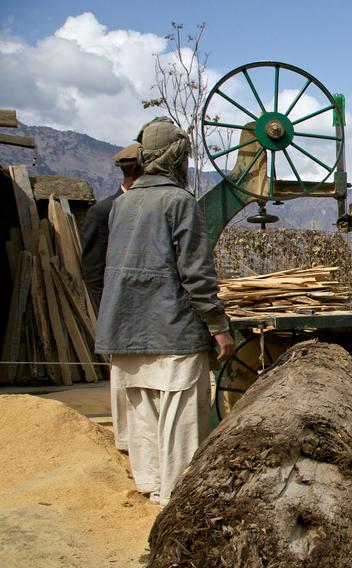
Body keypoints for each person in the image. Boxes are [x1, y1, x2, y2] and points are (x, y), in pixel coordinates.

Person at [95, 117, 235, 505]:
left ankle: (153, 487)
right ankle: (179, 500)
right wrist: (218, 326)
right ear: (176, 158)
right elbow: (196, 274)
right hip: (173, 334)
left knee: (143, 415)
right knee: (180, 423)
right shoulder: (179, 203)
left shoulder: (121, 205)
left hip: (124, 331)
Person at [81, 143, 142, 452]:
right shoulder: (104, 211)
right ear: (134, 171)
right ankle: (127, 445)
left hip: (148, 318)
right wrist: (108, 314)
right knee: (124, 384)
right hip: (119, 316)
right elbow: (92, 273)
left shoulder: (152, 207)